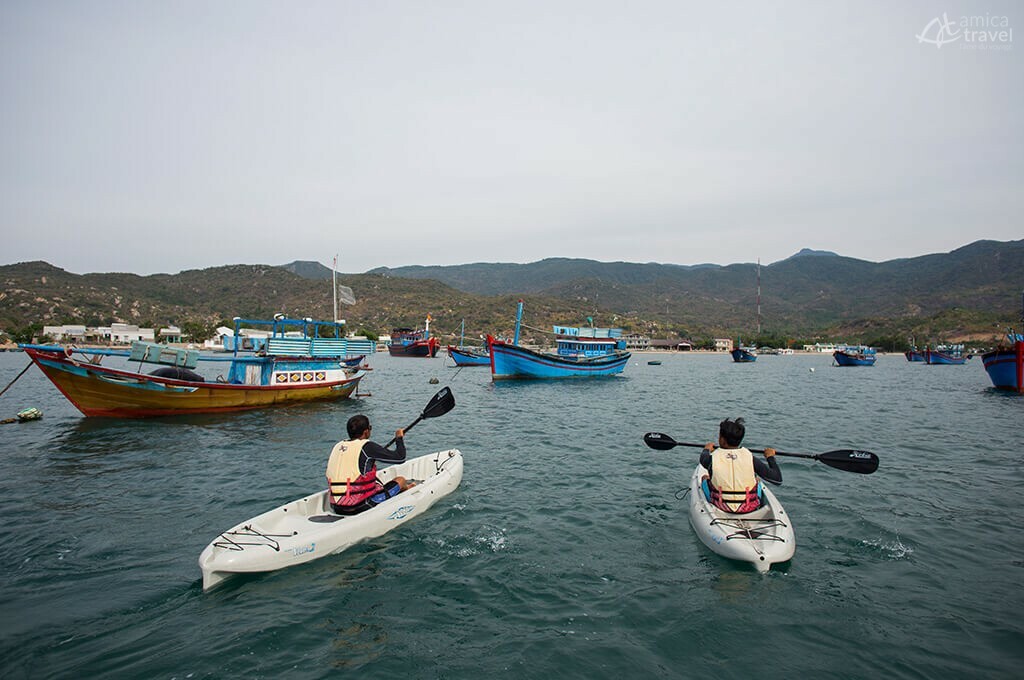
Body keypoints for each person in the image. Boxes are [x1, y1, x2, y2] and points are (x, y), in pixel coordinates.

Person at [326, 414, 415, 515]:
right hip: (358, 506)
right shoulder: (367, 447)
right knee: (401, 480)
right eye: (370, 428)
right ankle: (406, 489)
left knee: (374, 480)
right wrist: (399, 438)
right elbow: (400, 458)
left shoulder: (338, 446)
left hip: (335, 506)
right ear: (366, 432)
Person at [699, 417, 781, 514]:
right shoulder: (751, 459)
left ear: (722, 439)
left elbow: (703, 458)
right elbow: (777, 479)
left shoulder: (711, 459)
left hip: (721, 507)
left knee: (705, 477)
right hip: (748, 507)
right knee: (757, 480)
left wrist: (707, 449)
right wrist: (770, 457)